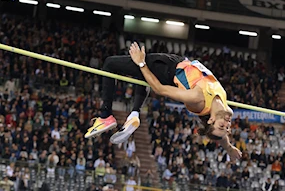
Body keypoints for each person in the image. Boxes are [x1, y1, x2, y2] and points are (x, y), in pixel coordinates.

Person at [85, 42, 242, 160]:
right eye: (228, 128)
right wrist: (229, 148)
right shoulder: (226, 109)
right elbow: (221, 135)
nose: (228, 125)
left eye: (222, 126)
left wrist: (141, 62)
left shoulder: (197, 99)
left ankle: (106, 116)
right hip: (176, 64)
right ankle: (134, 113)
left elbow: (160, 89)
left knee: (110, 64)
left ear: (212, 119)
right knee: (143, 76)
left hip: (168, 68)